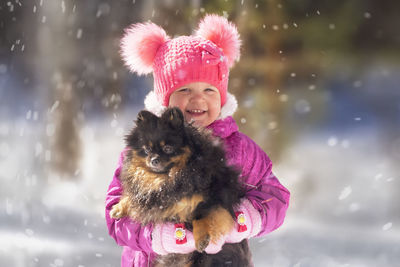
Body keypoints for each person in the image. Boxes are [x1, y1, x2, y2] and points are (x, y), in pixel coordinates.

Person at [105, 14, 290, 267]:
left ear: (222, 97)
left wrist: (237, 220)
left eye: (208, 90)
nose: (198, 100)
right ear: (165, 99)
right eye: (184, 90)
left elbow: (274, 196)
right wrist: (158, 236)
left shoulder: (239, 148)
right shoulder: (146, 151)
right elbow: (116, 216)